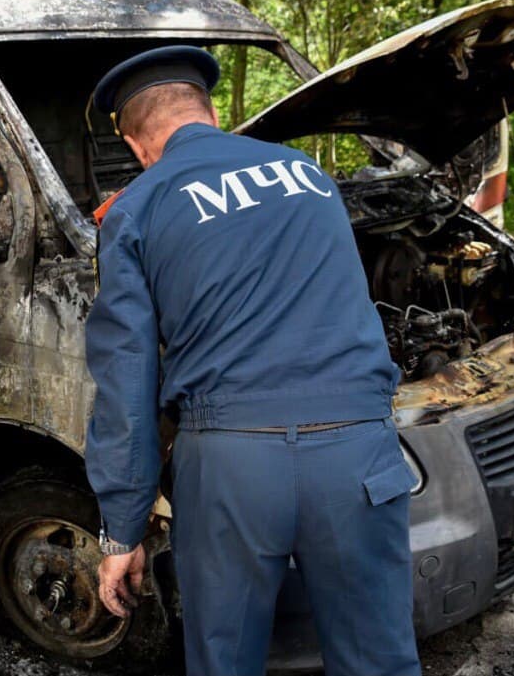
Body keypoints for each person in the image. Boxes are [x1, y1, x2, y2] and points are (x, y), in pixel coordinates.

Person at [83, 45, 422, 676]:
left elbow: (126, 382)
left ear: (137, 145)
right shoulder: (306, 173)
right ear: (211, 111)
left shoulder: (135, 209)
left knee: (226, 660)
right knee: (380, 660)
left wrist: (122, 530)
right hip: (358, 457)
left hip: (233, 469)